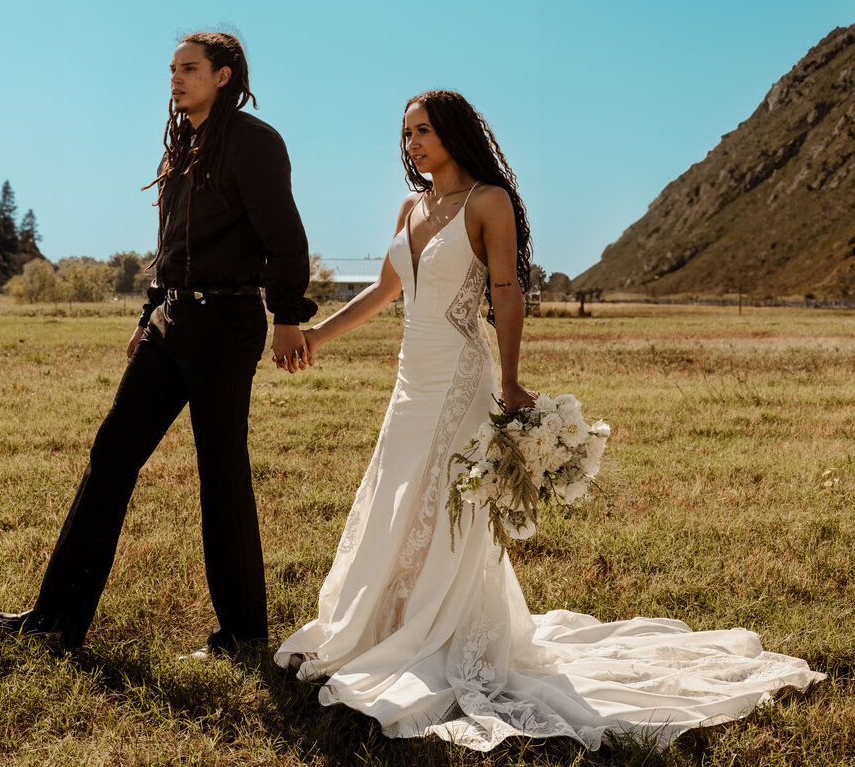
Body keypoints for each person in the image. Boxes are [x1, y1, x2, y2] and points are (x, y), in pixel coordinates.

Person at [274, 90, 823, 751]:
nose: (414, 144)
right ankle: (385, 625)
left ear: (453, 133)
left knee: (439, 506)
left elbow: (505, 292)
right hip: (408, 383)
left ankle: (436, 636)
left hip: (459, 382)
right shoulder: (412, 206)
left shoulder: (487, 202)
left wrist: (509, 380)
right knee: (394, 499)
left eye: (424, 131)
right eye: (408, 134)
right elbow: (387, 290)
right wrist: (315, 337)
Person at [0, 31, 316, 655]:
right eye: (172, 69)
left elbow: (285, 233)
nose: (176, 78)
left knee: (222, 472)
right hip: (171, 322)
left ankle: (244, 632)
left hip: (226, 326)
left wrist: (288, 316)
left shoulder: (254, 142)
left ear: (224, 76)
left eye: (189, 68)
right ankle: (55, 619)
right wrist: (148, 313)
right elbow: (169, 246)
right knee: (111, 456)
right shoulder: (182, 143)